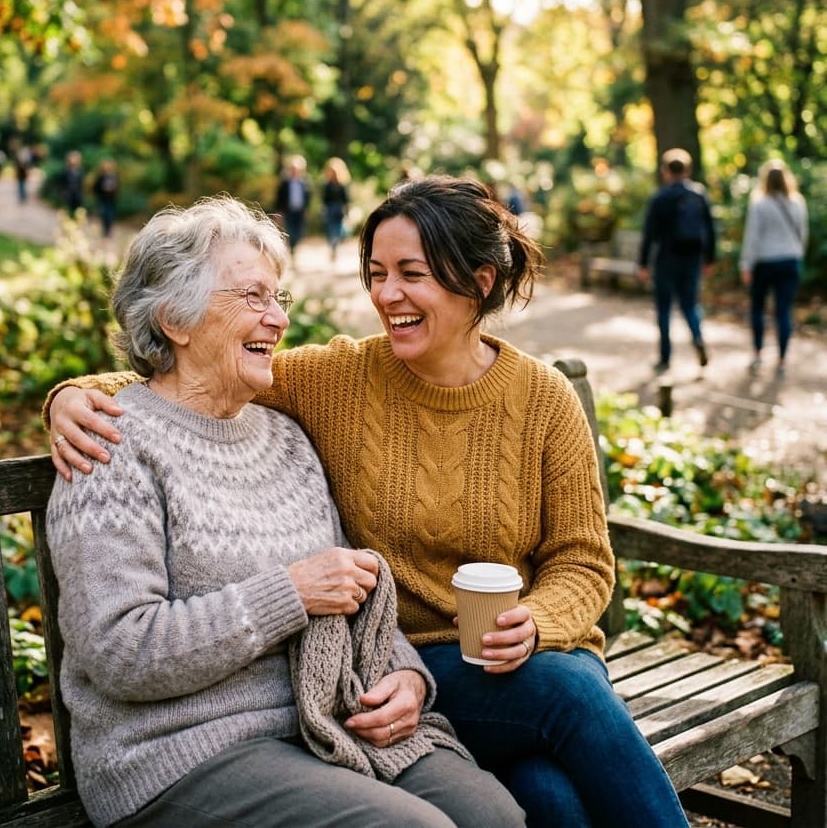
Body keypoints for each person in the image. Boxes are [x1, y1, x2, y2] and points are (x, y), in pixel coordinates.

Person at [46, 177, 689, 828]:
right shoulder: (325, 386)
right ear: (176, 316)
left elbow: (582, 560)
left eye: (412, 273)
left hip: (408, 680)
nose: (386, 294)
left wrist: (518, 632)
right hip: (214, 740)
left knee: (536, 793)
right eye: (377, 272)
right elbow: (178, 389)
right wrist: (71, 395)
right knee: (560, 707)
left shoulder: (537, 400)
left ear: (481, 283)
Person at [637, 148, 716, 374]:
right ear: (688, 170)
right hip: (692, 258)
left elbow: (649, 234)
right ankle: (698, 338)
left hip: (666, 259)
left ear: (665, 171)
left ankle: (665, 357)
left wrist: (643, 264)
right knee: (690, 304)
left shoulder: (660, 197)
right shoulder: (699, 194)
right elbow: (710, 230)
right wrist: (709, 258)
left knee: (664, 309)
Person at [739, 159, 808, 376]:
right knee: (783, 311)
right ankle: (782, 359)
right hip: (789, 261)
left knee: (758, 309)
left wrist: (746, 264)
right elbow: (802, 234)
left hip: (765, 263)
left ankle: (758, 353)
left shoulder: (760, 203)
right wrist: (797, 255)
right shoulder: (797, 202)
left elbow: (752, 237)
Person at [274, 155, 311, 257]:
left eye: (297, 169)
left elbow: (308, 198)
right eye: (293, 169)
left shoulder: (305, 183)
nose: (294, 171)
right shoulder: (284, 183)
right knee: (289, 231)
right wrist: (278, 211)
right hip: (288, 211)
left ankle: (294, 247)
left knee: (298, 232)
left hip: (300, 211)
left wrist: (306, 210)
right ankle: (291, 249)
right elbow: (279, 198)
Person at [322, 157, 351, 260]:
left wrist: (347, 211)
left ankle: (335, 246)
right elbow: (324, 200)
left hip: (339, 211)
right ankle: (333, 248)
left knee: (339, 231)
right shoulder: (327, 185)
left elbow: (346, 200)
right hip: (330, 211)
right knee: (331, 230)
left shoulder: (342, 185)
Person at [92, 158, 119, 237]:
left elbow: (117, 188)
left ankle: (108, 230)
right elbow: (95, 188)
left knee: (110, 215)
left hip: (111, 200)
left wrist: (112, 190)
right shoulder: (100, 177)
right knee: (104, 214)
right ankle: (104, 230)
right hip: (102, 199)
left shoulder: (114, 176)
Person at [62, 150, 86, 217]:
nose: (73, 160)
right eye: (72, 158)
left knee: (77, 213)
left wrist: (82, 194)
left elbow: (81, 184)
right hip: (68, 195)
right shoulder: (66, 170)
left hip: (77, 195)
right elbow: (62, 183)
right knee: (68, 212)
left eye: (75, 158)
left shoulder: (80, 170)